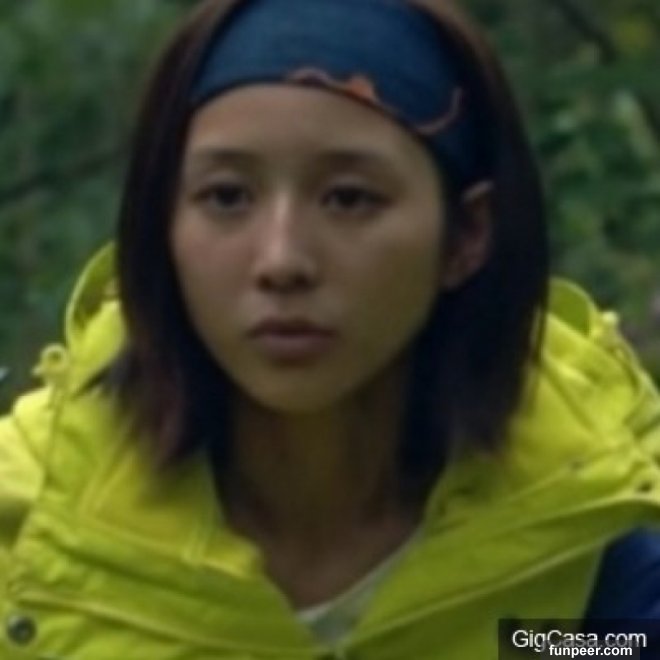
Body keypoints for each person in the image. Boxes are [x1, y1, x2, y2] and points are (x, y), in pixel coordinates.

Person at [1, 0, 660, 657]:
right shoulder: (32, 533)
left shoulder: (584, 526)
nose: (281, 260)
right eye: (227, 197)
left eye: (349, 198)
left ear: (466, 234)